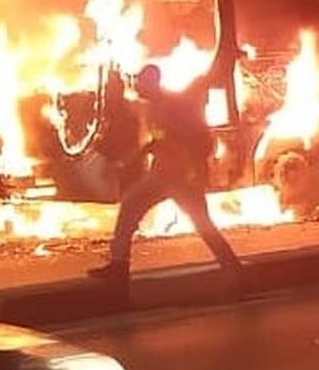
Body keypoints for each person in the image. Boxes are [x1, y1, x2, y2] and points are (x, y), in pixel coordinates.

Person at [87, 64, 244, 286]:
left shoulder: (173, 105)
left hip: (182, 178)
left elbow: (190, 138)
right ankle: (118, 266)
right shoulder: (156, 106)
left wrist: (194, 170)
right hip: (164, 175)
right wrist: (138, 155)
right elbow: (159, 139)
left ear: (152, 82)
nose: (136, 85)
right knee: (130, 206)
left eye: (140, 81)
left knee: (202, 224)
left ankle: (235, 271)